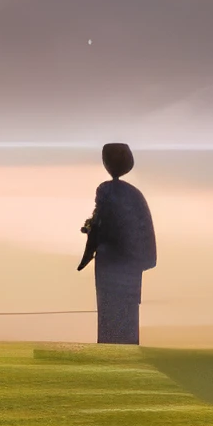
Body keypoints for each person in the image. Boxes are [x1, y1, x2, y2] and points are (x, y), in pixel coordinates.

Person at [75, 142, 158, 345]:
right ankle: (122, 346)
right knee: (122, 313)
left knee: (113, 312)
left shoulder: (107, 190)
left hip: (114, 264)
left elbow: (98, 226)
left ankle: (116, 347)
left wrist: (89, 247)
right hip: (128, 265)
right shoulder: (134, 194)